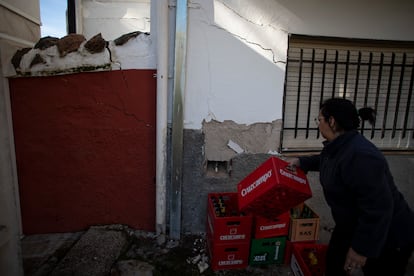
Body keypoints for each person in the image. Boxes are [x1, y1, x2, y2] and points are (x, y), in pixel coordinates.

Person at [288, 98, 414, 276]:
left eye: (319, 120)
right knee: (334, 264)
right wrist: (302, 162)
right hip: (351, 224)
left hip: (386, 234)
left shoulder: (362, 156)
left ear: (331, 121)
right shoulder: (340, 146)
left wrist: (362, 249)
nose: (318, 125)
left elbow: (379, 208)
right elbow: (327, 160)